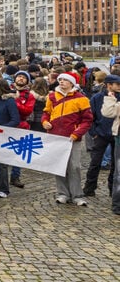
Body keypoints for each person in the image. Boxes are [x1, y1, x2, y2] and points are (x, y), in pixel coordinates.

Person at [43, 73, 94, 206]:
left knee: (74, 166)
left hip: (72, 138)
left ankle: (77, 195)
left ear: (72, 83)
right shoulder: (52, 96)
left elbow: (87, 120)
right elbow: (46, 112)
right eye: (60, 79)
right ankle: (62, 193)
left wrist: (77, 133)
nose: (61, 82)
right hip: (55, 137)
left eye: (65, 80)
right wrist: (45, 122)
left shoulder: (81, 99)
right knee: (58, 166)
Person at [86, 74, 120, 197]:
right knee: (95, 162)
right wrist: (94, 133)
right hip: (101, 134)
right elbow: (90, 117)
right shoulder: (97, 98)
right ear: (109, 85)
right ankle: (89, 188)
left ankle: (113, 189)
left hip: (116, 134)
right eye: (117, 84)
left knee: (116, 164)